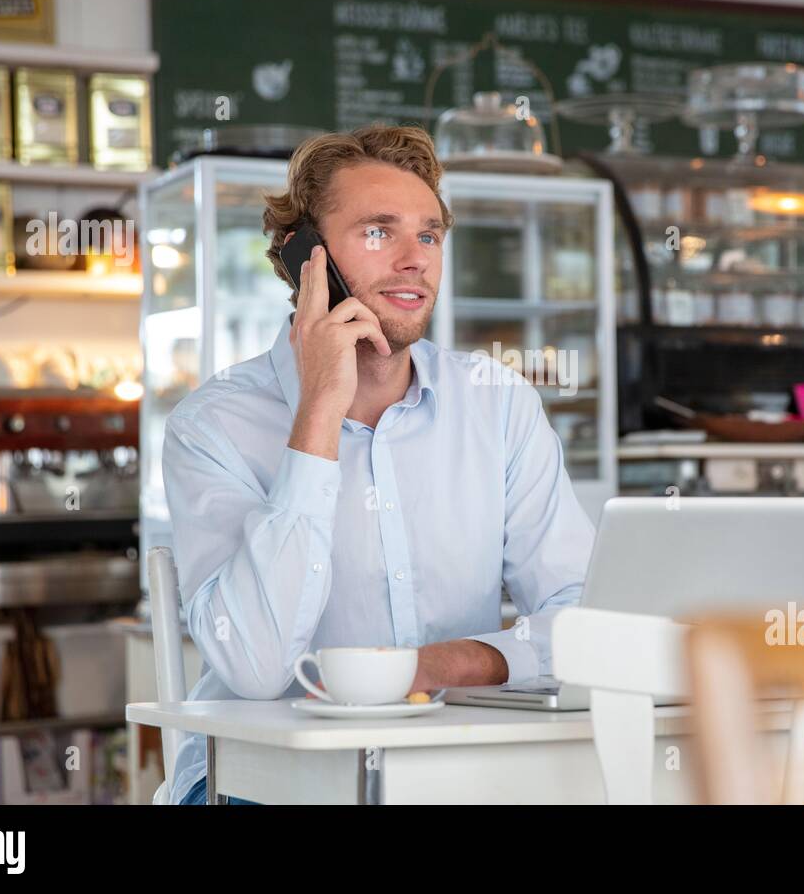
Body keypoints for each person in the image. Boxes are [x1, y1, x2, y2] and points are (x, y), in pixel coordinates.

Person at [162, 124, 593, 803]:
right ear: (305, 255)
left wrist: (443, 664)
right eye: (377, 232)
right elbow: (254, 665)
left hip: (450, 766)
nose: (414, 258)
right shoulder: (213, 425)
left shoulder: (497, 403)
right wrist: (319, 412)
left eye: (428, 235)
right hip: (259, 781)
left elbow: (584, 612)